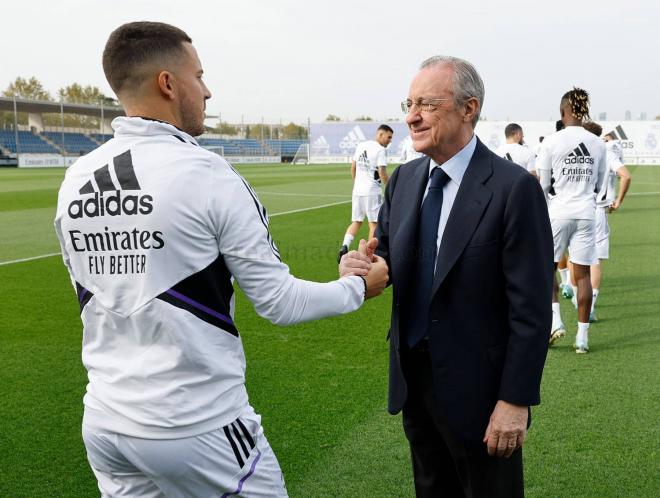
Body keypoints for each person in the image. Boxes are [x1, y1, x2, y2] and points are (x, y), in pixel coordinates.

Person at [53, 22, 388, 497]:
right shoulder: (206, 173)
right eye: (199, 75)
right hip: (195, 424)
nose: (207, 91)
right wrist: (359, 287)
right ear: (168, 84)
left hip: (106, 424)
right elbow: (279, 302)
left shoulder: (76, 177)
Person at [349, 55, 553, 497]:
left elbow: (532, 309)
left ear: (468, 108)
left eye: (427, 104)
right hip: (414, 386)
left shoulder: (513, 188)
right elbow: (385, 259)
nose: (411, 116)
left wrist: (515, 401)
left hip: (482, 394)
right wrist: (362, 267)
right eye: (409, 103)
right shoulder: (404, 180)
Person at [536, 88, 607, 353]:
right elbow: (600, 184)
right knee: (583, 275)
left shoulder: (551, 142)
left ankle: (555, 322)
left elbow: (543, 185)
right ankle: (582, 338)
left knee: (548, 269)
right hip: (587, 213)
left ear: (564, 112)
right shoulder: (598, 143)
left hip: (558, 212)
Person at [584, 125, 632, 320]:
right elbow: (626, 176)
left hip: (575, 209)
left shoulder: (579, 152)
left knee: (575, 255)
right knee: (595, 259)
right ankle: (590, 305)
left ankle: (572, 288)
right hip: (598, 210)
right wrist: (618, 201)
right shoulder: (606, 152)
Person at [337, 125, 393, 262]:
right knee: (374, 224)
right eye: (388, 137)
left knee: (356, 221)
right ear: (380, 134)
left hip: (357, 190)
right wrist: (391, 186)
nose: (390, 140)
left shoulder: (362, 145)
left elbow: (353, 167)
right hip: (372, 191)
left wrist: (357, 183)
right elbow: (382, 172)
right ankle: (369, 253)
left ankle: (345, 245)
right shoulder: (380, 150)